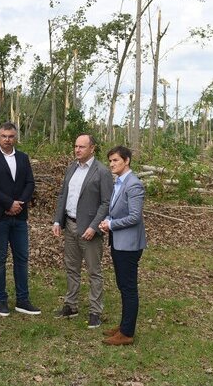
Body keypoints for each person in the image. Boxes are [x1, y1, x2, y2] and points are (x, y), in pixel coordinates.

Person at [0, 122, 41, 316]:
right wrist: (8, 204)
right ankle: (1, 300)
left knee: (21, 258)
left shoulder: (22, 158)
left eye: (11, 136)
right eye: (4, 136)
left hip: (19, 216)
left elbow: (30, 182)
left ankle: (22, 300)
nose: (7, 140)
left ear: (16, 137)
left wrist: (19, 203)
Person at [52, 134, 113, 328]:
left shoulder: (102, 171)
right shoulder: (72, 168)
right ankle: (71, 305)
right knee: (71, 268)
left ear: (92, 148)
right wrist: (57, 220)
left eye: (82, 147)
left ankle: (95, 311)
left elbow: (106, 203)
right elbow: (63, 195)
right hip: (70, 225)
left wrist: (94, 227)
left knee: (94, 271)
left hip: (89, 230)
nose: (77, 150)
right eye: (76, 146)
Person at [98, 146, 147, 346]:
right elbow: (118, 210)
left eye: (116, 160)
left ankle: (127, 333)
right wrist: (108, 220)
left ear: (126, 161)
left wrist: (111, 224)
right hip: (118, 241)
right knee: (123, 285)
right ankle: (124, 325)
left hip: (129, 245)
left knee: (128, 287)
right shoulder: (118, 182)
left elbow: (135, 217)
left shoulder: (133, 185)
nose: (111, 164)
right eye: (110, 161)